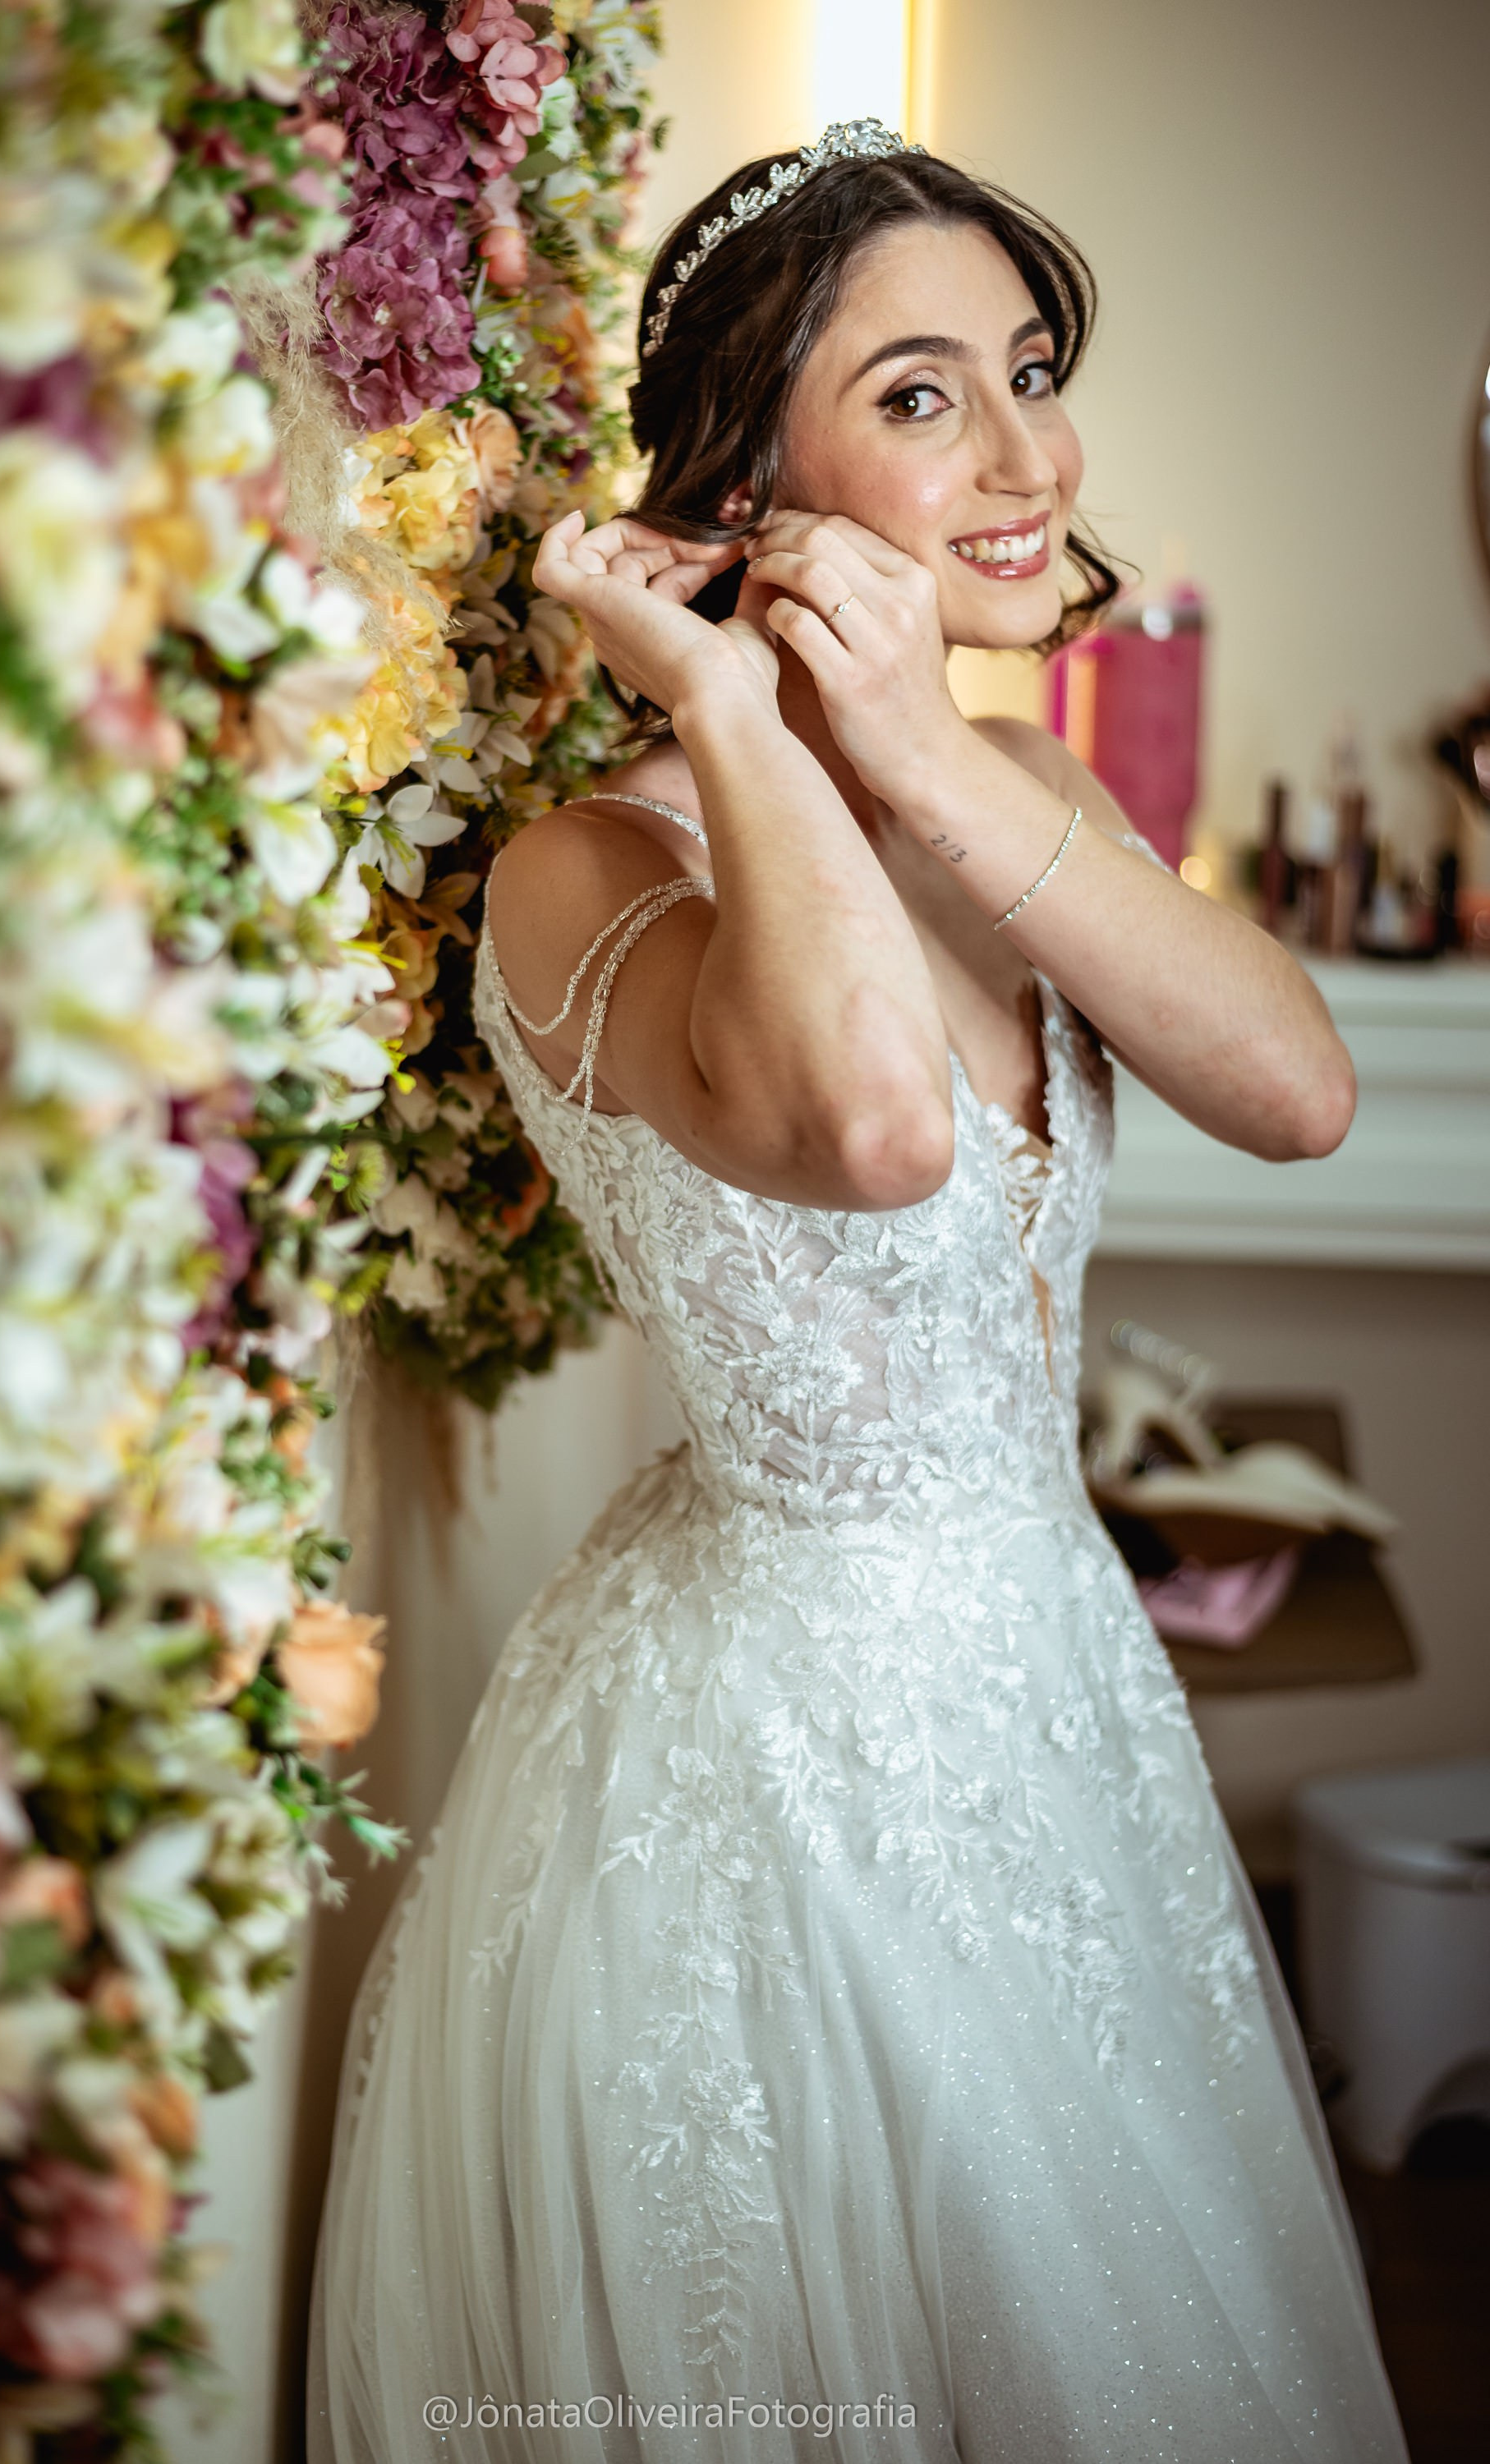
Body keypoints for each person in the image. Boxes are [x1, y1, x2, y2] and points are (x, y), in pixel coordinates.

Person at [308, 123, 1410, 2462]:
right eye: (921, 397)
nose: (1026, 456)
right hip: (757, 1773)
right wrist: (737, 711)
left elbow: (1300, 1092)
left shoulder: (1017, 786)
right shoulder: (581, 866)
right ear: (742, 474)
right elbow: (874, 1129)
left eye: (1029, 372)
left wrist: (919, 746)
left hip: (1052, 1688)